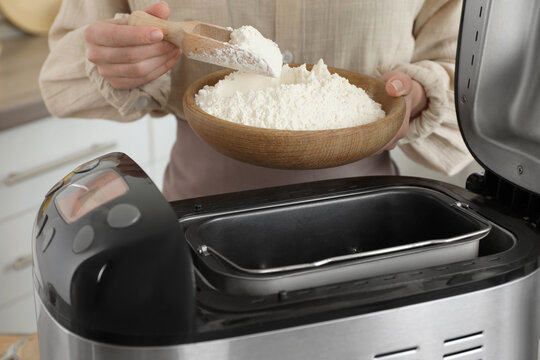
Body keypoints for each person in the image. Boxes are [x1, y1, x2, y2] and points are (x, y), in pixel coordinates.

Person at [39, 0, 472, 201]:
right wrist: (115, 59)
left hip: (368, 213)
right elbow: (64, 73)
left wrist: (417, 97)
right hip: (198, 214)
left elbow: (465, 60)